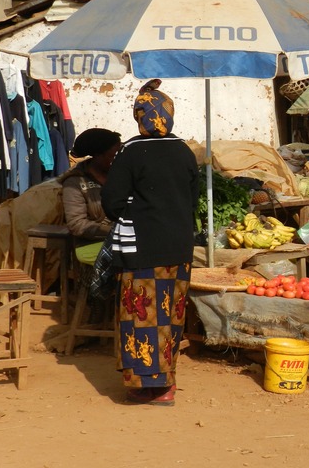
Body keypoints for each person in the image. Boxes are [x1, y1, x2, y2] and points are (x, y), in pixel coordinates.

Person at [101, 79, 200, 406]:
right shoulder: (185, 151)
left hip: (142, 249)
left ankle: (145, 387)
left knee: (140, 316)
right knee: (170, 316)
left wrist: (136, 211)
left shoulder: (130, 152)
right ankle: (166, 385)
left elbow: (112, 203)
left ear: (141, 116)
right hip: (179, 250)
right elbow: (191, 200)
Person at [59, 128, 122, 261]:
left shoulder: (122, 177)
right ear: (97, 156)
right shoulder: (74, 183)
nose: (119, 159)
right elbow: (77, 224)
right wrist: (112, 231)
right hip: (91, 244)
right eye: (113, 156)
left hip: (123, 240)